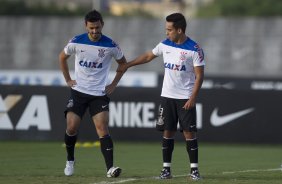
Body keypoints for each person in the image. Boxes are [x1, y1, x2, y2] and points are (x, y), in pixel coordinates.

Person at [118, 13, 205, 180]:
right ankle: (166, 170)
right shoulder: (165, 44)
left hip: (185, 97)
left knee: (189, 133)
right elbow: (148, 56)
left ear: (179, 30)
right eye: (166, 29)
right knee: (167, 132)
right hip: (167, 96)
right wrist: (128, 64)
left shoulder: (194, 49)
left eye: (169, 30)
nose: (167, 33)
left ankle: (194, 171)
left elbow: (199, 76)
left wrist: (193, 97)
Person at [59, 9, 126, 178]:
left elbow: (123, 64)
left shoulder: (111, 45)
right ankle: (70, 160)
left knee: (102, 129)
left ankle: (110, 168)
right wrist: (68, 79)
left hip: (98, 94)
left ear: (102, 25)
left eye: (97, 28)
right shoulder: (76, 42)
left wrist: (114, 83)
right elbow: (62, 58)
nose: (95, 32)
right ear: (86, 26)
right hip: (78, 93)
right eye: (91, 29)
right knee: (71, 127)